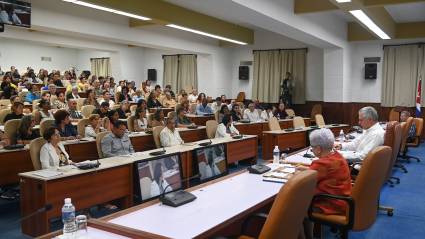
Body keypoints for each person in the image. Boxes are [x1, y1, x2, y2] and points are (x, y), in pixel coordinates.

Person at [297, 128, 352, 239]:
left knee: (295, 210)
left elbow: (303, 181)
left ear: (318, 149)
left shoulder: (322, 163)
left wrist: (297, 173)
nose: (311, 150)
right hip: (343, 200)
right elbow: (317, 172)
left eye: (311, 148)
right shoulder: (337, 155)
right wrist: (306, 169)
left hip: (330, 204)